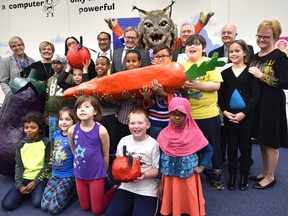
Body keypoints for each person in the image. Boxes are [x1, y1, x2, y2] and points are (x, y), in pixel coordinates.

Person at [248, 19, 288, 189]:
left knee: (271, 141)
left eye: (266, 36)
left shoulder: (279, 56)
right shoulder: (255, 56)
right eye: (259, 36)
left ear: (275, 37)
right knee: (262, 139)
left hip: (272, 104)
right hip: (258, 103)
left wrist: (262, 76)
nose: (262, 39)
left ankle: (270, 177)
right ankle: (265, 171)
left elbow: (286, 82)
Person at [157, 97, 213, 216]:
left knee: (189, 204)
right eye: (173, 114)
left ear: (187, 115)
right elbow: (160, 160)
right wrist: (159, 182)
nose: (177, 118)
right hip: (169, 178)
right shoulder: (164, 134)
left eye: (181, 114)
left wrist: (202, 166)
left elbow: (209, 150)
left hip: (188, 179)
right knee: (171, 205)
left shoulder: (195, 133)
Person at [182, 34, 224, 190]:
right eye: (189, 45)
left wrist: (196, 84)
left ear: (204, 48)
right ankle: (196, 171)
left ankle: (216, 176)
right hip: (187, 115)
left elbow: (216, 86)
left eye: (197, 44)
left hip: (208, 114)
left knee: (212, 146)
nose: (192, 47)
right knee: (191, 147)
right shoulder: (181, 66)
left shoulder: (209, 63)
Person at [218, 39, 260, 191]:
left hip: (246, 116)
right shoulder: (224, 73)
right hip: (229, 116)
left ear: (244, 53)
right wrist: (224, 112)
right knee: (232, 145)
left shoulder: (250, 72)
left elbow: (256, 96)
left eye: (237, 51)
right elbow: (221, 96)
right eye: (231, 51)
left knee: (245, 145)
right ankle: (233, 174)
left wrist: (243, 113)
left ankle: (243, 174)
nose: (234, 53)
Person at [68, 95, 117, 215]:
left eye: (86, 106)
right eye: (79, 107)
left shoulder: (101, 130)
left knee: (97, 210)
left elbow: (106, 154)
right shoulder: (72, 130)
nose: (82, 109)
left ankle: (114, 189)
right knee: (85, 207)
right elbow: (74, 150)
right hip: (80, 173)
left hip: (97, 174)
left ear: (95, 111)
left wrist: (103, 173)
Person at [106, 108, 160, 216]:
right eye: (132, 123)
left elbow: (157, 170)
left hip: (147, 190)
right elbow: (118, 164)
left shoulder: (153, 144)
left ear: (148, 125)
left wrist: (143, 175)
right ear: (128, 125)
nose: (136, 126)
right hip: (126, 187)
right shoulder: (124, 141)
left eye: (140, 123)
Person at [1, 112, 52, 211]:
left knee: (37, 203)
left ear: (40, 129)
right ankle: (26, 192)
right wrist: (19, 185)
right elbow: (19, 165)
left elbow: (48, 164)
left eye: (33, 128)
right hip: (25, 177)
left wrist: (35, 182)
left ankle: (32, 191)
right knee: (6, 205)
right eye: (26, 127)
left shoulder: (46, 142)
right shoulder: (21, 145)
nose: (28, 130)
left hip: (40, 178)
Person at [41, 107, 77, 215]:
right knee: (44, 205)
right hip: (55, 174)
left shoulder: (75, 136)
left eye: (67, 119)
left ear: (74, 121)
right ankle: (64, 191)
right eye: (61, 119)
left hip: (68, 175)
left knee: (53, 209)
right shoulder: (56, 134)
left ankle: (72, 192)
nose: (63, 122)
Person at [140, 44, 180, 139]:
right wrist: (146, 97)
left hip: (172, 122)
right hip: (154, 122)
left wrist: (162, 93)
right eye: (157, 57)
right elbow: (150, 103)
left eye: (164, 56)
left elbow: (179, 100)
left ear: (170, 57)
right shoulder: (149, 75)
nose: (161, 59)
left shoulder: (176, 73)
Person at [116, 50, 144, 140]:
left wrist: (134, 100)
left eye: (134, 61)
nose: (131, 64)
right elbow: (117, 97)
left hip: (140, 120)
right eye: (128, 61)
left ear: (140, 63)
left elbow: (149, 100)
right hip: (123, 118)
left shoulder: (145, 77)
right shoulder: (120, 78)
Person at [44, 54, 73, 141]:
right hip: (52, 115)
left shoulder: (70, 78)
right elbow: (47, 97)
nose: (55, 65)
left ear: (64, 64)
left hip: (65, 115)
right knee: (53, 137)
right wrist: (46, 114)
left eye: (58, 63)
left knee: (65, 137)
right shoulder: (50, 79)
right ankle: (54, 154)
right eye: (53, 63)